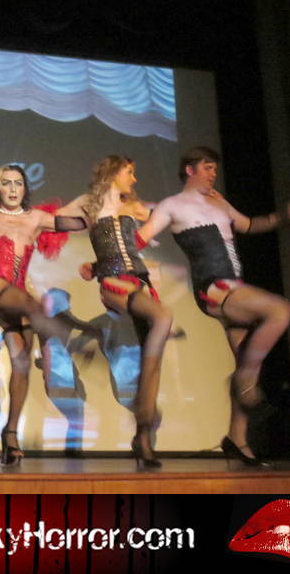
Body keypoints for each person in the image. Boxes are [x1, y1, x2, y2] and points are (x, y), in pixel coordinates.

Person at [137, 146, 290, 465]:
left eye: (214, 168)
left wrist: (284, 217)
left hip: (234, 286)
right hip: (214, 288)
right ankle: (245, 381)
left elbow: (249, 225)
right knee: (279, 309)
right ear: (190, 170)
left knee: (245, 359)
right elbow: (142, 236)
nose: (213, 174)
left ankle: (237, 439)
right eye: (207, 167)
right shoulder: (173, 205)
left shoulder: (219, 201)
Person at [0, 164, 85, 464]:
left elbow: (75, 224)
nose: (13, 189)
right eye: (7, 183)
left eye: (18, 183)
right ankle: (63, 336)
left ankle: (10, 434)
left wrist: (94, 204)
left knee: (22, 362)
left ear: (25, 188)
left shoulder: (35, 218)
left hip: (17, 295)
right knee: (32, 306)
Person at [65, 156, 173, 469]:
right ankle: (143, 398)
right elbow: (53, 219)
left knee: (153, 360)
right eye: (130, 172)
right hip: (114, 284)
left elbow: (165, 216)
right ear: (113, 172)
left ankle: (142, 438)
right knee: (163, 317)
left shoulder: (134, 207)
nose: (134, 179)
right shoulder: (88, 204)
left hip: (140, 282)